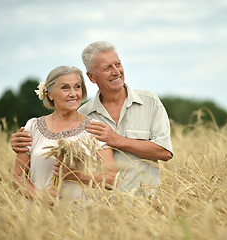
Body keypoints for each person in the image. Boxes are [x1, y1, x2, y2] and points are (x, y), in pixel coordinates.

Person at [12, 41, 173, 195]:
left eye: (118, 64)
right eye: (107, 68)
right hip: (101, 211)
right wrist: (23, 144)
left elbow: (165, 152)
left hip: (146, 205)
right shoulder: (83, 115)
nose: (116, 71)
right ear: (92, 77)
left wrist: (116, 139)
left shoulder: (149, 102)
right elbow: (22, 172)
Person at [12, 66, 117, 205]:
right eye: (65, 88)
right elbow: (18, 177)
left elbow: (111, 180)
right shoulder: (33, 127)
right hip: (39, 219)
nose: (73, 93)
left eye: (77, 87)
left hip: (83, 219)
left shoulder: (94, 128)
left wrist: (76, 176)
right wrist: (39, 196)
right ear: (50, 94)